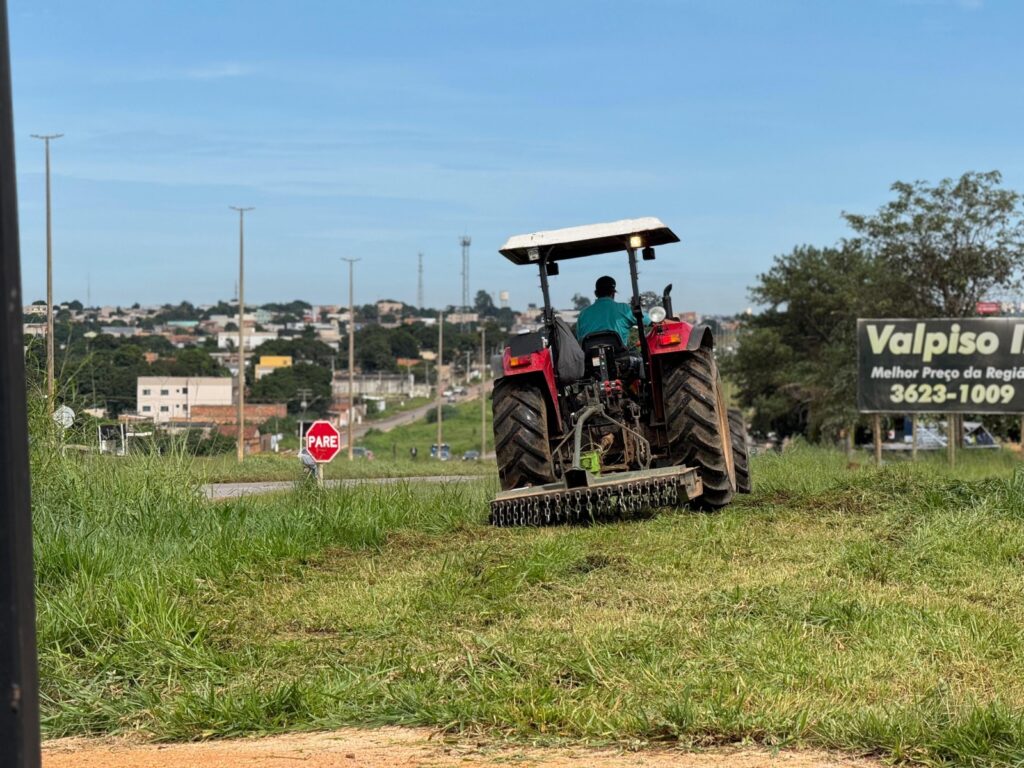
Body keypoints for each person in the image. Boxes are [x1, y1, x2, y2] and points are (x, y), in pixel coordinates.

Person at [575, 275, 647, 347]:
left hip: (590, 355)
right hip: (618, 355)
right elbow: (649, 321)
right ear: (613, 293)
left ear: (596, 293)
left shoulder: (583, 314)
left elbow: (580, 338)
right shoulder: (624, 309)